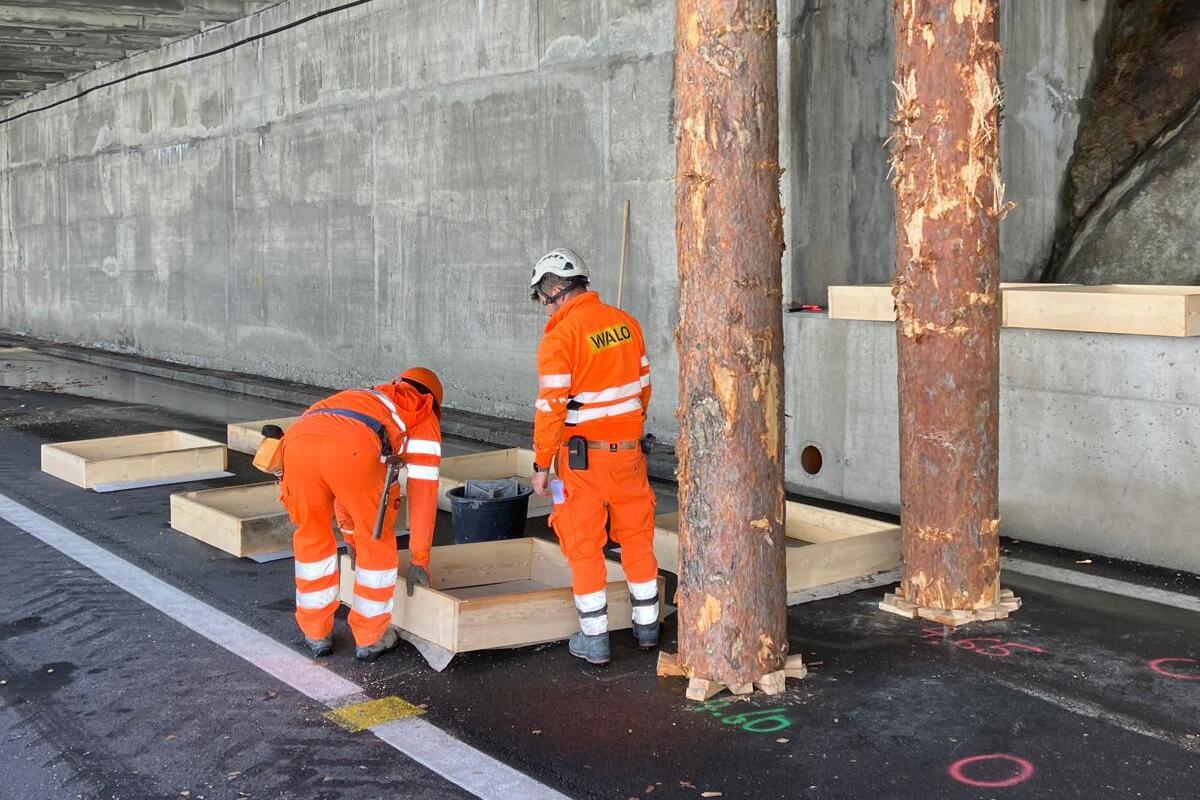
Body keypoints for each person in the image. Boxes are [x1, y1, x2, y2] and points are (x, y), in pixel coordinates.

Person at [528, 248, 659, 665]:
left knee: (582, 544)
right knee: (636, 537)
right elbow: (643, 387)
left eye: (542, 297)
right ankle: (647, 627)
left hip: (582, 462)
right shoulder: (625, 323)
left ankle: (595, 638)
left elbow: (551, 409)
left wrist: (541, 464)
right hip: (630, 455)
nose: (544, 306)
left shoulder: (560, 338)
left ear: (554, 288)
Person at [279, 368, 443, 661]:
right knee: (375, 540)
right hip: (351, 450)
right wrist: (420, 559)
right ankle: (371, 636)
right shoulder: (423, 412)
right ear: (433, 400)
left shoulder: (370, 397)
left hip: (297, 444)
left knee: (311, 538)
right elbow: (423, 494)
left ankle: (315, 632)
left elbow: (341, 482)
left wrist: (349, 538)